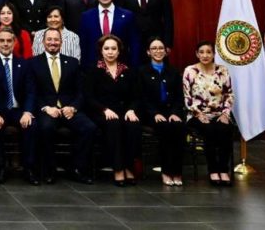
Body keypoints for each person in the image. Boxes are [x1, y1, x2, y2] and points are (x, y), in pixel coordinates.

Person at [28, 28, 97, 184]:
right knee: (46, 128)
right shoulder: (33, 63)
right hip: (47, 109)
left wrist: (73, 107)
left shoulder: (72, 62)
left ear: (61, 42)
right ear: (43, 42)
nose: (53, 42)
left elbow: (80, 92)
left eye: (56, 39)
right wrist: (46, 108)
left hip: (69, 109)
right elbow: (32, 92)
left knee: (89, 128)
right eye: (49, 39)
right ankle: (50, 170)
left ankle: (76, 168)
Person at [0, 27, 38, 185]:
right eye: (2, 41)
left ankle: (29, 169)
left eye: (9, 41)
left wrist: (27, 112)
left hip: (19, 110)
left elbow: (30, 91)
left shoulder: (24, 64)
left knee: (32, 126)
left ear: (14, 43)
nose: (5, 44)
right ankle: (0, 168)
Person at [84, 34, 141, 186]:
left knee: (133, 126)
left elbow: (135, 96)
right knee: (114, 124)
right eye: (106, 48)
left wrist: (131, 110)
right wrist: (104, 109)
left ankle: (128, 166)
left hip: (124, 111)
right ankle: (118, 169)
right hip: (101, 112)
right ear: (101, 51)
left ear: (119, 51)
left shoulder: (127, 71)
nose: (110, 52)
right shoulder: (93, 70)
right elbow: (89, 97)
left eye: (113, 49)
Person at [183, 40, 234, 186]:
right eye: (202, 52)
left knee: (225, 130)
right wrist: (199, 114)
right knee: (209, 130)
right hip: (196, 114)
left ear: (214, 54)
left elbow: (229, 94)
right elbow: (187, 97)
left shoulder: (222, 70)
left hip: (219, 114)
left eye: (209, 52)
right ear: (197, 54)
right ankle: (213, 170)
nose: (205, 55)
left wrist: (225, 114)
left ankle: (223, 170)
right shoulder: (190, 71)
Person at [138, 36, 185, 186]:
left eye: (161, 48)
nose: (158, 51)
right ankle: (166, 171)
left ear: (166, 51)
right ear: (148, 52)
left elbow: (180, 96)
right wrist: (154, 113)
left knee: (178, 127)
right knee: (164, 129)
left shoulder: (173, 71)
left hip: (172, 112)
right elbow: (142, 97)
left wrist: (175, 112)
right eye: (154, 48)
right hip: (151, 114)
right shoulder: (142, 72)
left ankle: (177, 172)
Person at [78, 0, 140, 69]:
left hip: (122, 68)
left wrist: (133, 67)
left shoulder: (127, 15)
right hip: (93, 69)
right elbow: (83, 45)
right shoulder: (86, 16)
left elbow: (134, 44)